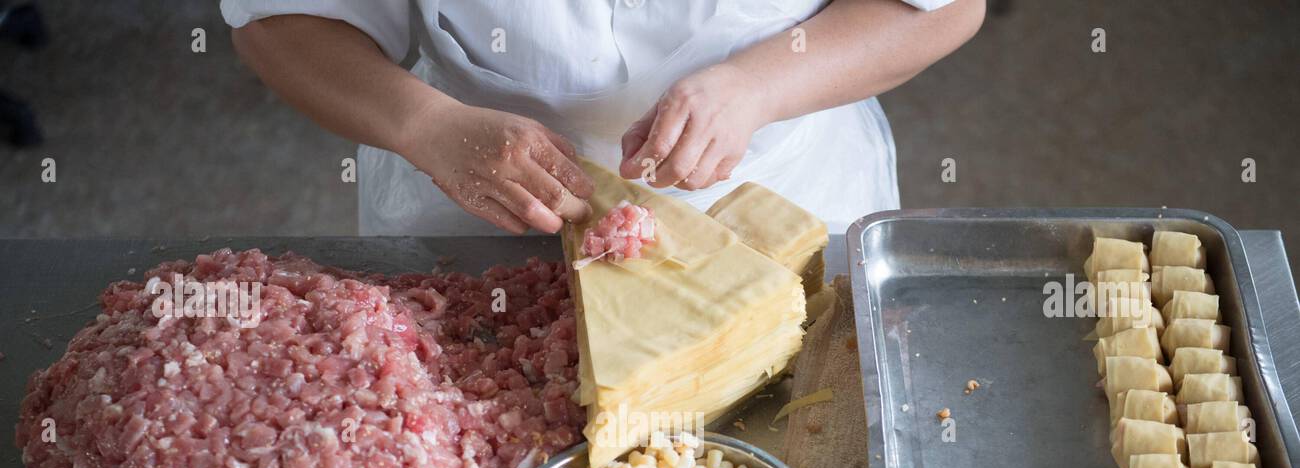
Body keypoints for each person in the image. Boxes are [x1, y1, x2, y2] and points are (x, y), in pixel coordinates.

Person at [222, 0, 984, 236]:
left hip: (784, 201)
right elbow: (283, 20)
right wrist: (425, 125)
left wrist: (756, 86)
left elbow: (939, 6)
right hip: (473, 213)